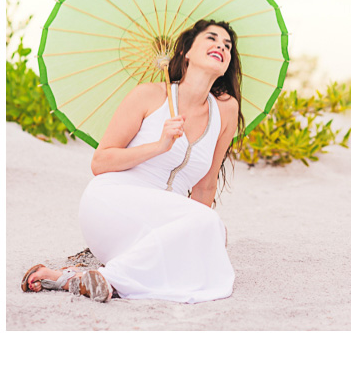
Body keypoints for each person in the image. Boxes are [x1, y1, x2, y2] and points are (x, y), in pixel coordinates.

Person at [21, 19, 244, 303]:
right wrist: (159, 146)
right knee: (208, 227)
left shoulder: (226, 110)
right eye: (212, 39)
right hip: (113, 201)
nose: (220, 47)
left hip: (160, 222)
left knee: (213, 230)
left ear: (227, 65)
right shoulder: (149, 95)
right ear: (186, 51)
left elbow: (205, 187)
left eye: (227, 46)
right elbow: (100, 162)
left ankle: (71, 278)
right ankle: (109, 277)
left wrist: (193, 233)